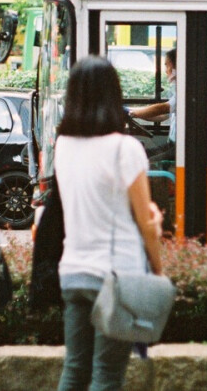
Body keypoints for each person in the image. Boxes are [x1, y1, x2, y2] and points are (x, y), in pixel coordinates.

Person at [55, 56, 164, 391]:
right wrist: (158, 272)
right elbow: (145, 220)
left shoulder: (63, 145)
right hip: (116, 276)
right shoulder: (125, 148)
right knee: (106, 375)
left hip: (73, 272)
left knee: (75, 370)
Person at [129, 48, 177, 164]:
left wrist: (133, 112)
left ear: (176, 67)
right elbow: (161, 116)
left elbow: (163, 108)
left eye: (167, 65)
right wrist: (131, 112)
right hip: (171, 145)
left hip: (178, 150)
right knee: (142, 155)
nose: (166, 70)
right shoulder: (177, 90)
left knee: (147, 164)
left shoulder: (185, 89)